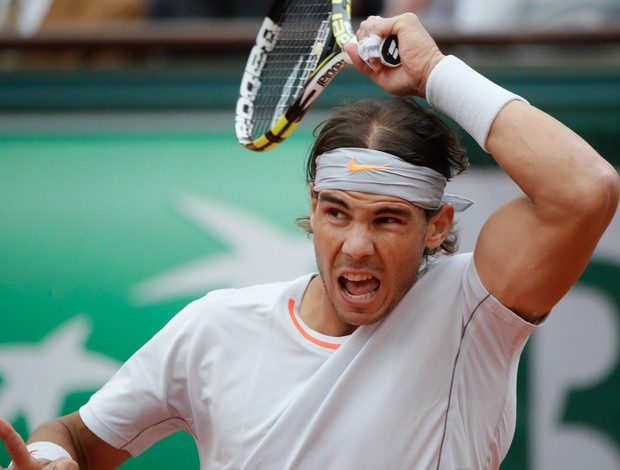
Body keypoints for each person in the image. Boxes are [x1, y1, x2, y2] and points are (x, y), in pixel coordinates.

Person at [1, 12, 619, 470]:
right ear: (313, 209)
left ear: (438, 227)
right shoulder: (214, 328)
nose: (354, 245)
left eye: (387, 220)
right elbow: (77, 437)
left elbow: (586, 189)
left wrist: (434, 74)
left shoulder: (472, 312)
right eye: (337, 213)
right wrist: (49, 458)